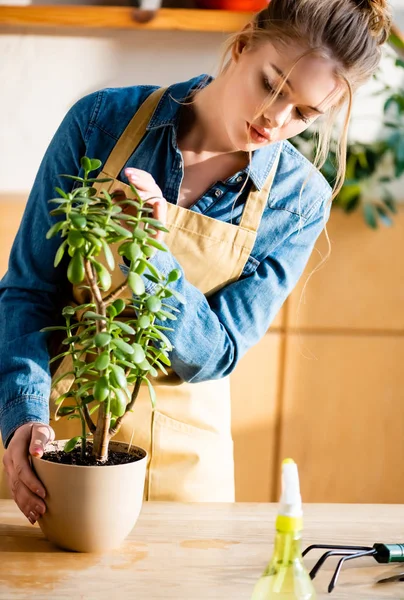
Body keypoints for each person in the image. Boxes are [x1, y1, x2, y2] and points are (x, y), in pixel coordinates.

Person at [0, 0, 391, 524]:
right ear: (244, 44)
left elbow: (217, 352)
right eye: (271, 84)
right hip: (61, 442)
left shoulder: (298, 199)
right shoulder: (100, 123)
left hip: (187, 472)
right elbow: (28, 291)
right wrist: (23, 416)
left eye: (304, 114)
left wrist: (151, 257)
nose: (276, 119)